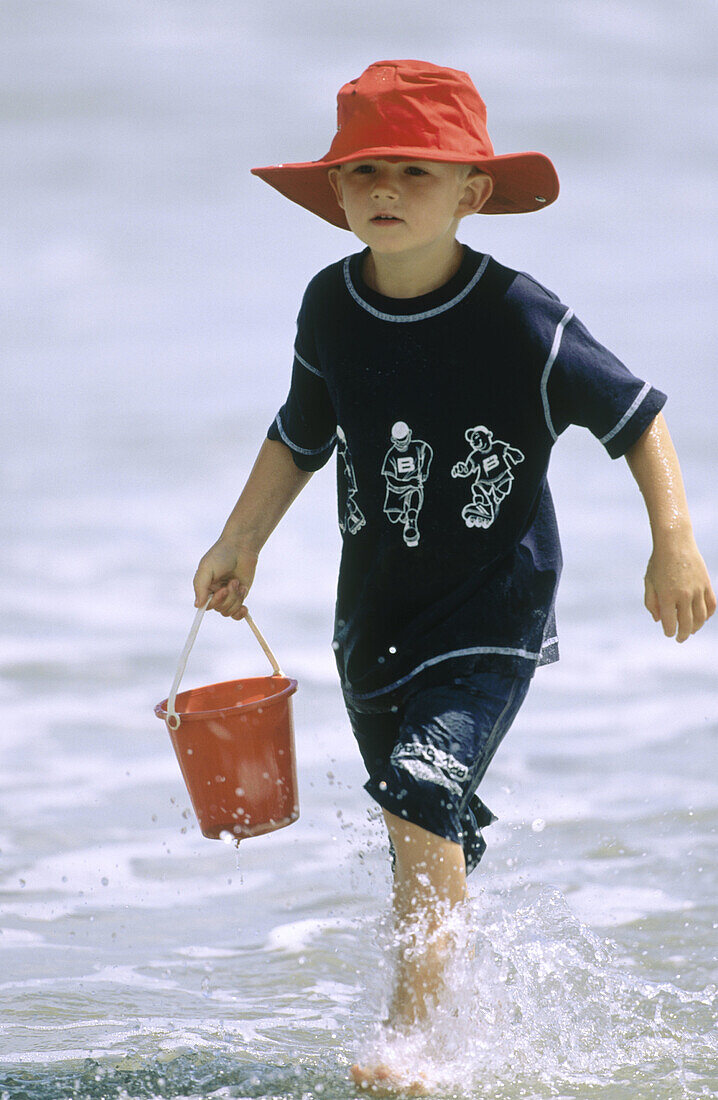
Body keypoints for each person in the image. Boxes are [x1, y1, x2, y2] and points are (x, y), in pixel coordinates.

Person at [192, 60, 715, 1094]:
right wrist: (239, 537)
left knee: (421, 788)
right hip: (371, 619)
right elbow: (301, 431)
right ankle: (467, 1032)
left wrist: (675, 542)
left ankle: (415, 1040)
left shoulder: (521, 316)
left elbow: (635, 414)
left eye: (414, 171)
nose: (386, 188)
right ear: (336, 194)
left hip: (493, 607)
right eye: (365, 170)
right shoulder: (330, 306)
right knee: (420, 822)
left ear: (473, 192)